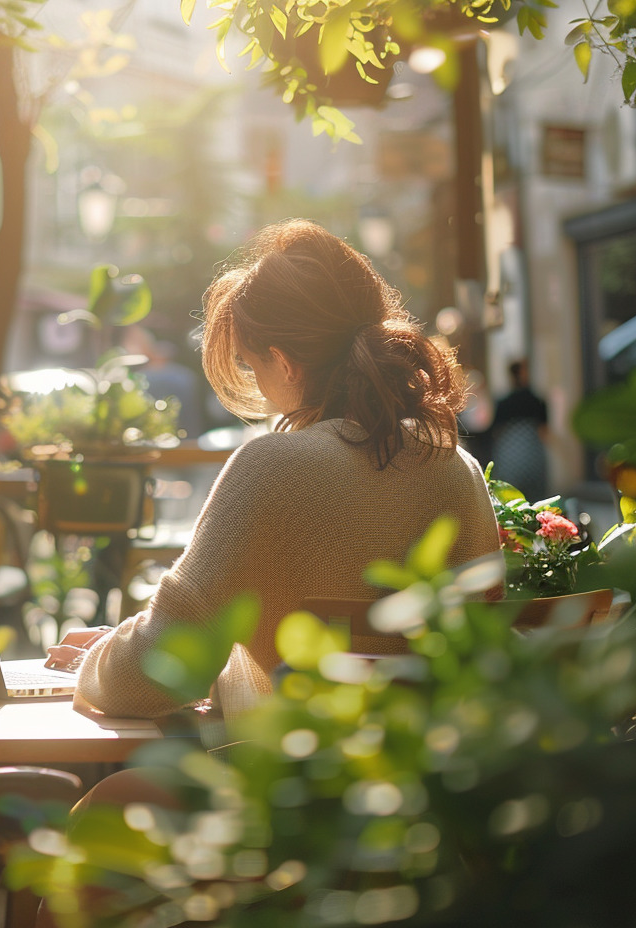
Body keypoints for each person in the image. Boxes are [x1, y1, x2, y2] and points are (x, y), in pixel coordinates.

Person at [46, 219, 501, 720]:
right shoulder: (456, 468)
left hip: (286, 785)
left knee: (103, 798)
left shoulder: (272, 470)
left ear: (285, 364)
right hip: (432, 783)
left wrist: (97, 659)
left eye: (251, 364)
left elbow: (160, 669)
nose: (260, 389)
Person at [489, 359, 550, 503]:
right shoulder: (536, 401)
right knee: (537, 501)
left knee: (511, 501)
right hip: (533, 457)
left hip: (509, 460)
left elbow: (496, 431)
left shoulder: (503, 403)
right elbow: (544, 432)